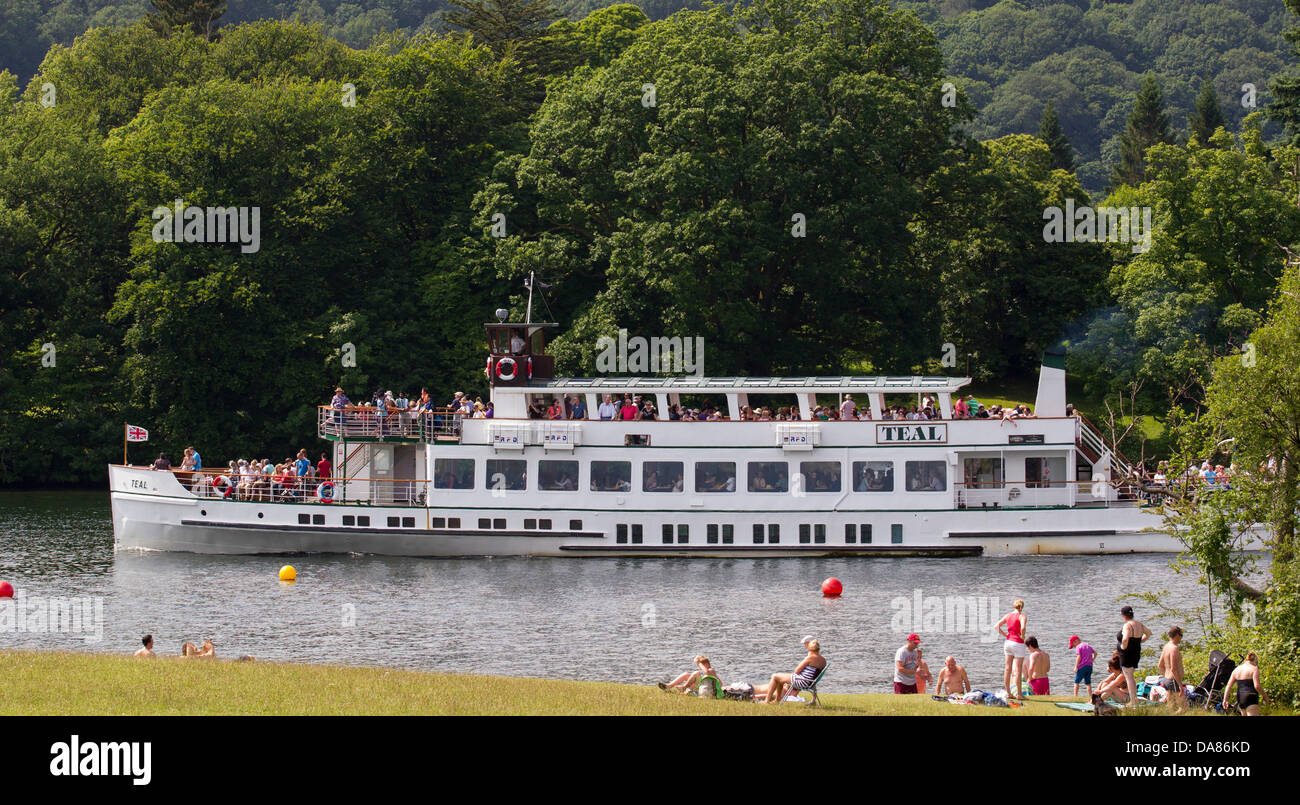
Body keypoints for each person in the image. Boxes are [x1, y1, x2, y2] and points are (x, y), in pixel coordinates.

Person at [757, 637, 827, 703]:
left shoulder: (810, 658)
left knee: (775, 676)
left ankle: (767, 701)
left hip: (801, 681)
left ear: (810, 648)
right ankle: (777, 700)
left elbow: (796, 671)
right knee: (780, 678)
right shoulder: (823, 660)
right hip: (810, 682)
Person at [1117, 605, 1151, 704]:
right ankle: (1134, 698)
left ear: (1124, 615)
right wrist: (1140, 641)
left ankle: (1133, 700)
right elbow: (1149, 633)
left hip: (1127, 655)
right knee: (1130, 676)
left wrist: (1123, 647)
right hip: (1136, 653)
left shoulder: (1127, 625)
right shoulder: (1139, 624)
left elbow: (1125, 638)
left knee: (1129, 677)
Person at [996, 599, 1028, 700]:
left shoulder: (1008, 615)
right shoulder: (1022, 616)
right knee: (1018, 669)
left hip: (1008, 643)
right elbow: (1022, 628)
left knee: (1007, 668)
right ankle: (1019, 694)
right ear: (1022, 607)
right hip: (1018, 643)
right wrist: (1022, 636)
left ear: (1014, 606)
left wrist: (1005, 634)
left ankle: (1009, 693)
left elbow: (996, 626)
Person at [1223, 652, 1263, 716]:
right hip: (1251, 696)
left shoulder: (1237, 669)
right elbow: (1257, 686)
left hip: (1240, 698)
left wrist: (1225, 699)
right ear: (1255, 660)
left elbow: (1228, 686)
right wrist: (1265, 696)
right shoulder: (1254, 669)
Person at [1155, 626, 1186, 710]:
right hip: (1174, 681)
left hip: (1167, 680)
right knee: (1183, 708)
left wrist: (1166, 676)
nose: (1181, 638)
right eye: (1181, 635)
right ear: (1177, 635)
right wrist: (1180, 685)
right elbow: (1173, 669)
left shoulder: (1166, 646)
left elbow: (1160, 665)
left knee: (1171, 707)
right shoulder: (1174, 648)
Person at [1069, 635, 1096, 699]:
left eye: (1073, 645)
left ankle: (1075, 696)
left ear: (1076, 641)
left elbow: (1079, 657)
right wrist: (1092, 659)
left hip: (1082, 667)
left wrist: (1076, 666)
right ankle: (1090, 696)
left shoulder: (1079, 647)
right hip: (1089, 666)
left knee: (1076, 682)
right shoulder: (1088, 645)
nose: (1074, 647)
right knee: (1088, 682)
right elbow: (1095, 653)